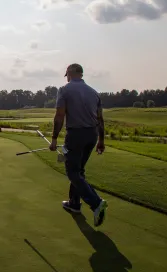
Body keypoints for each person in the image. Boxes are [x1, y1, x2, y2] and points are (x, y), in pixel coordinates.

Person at [50, 63, 108, 227]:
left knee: (72, 172)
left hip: (76, 135)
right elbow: (100, 119)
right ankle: (74, 203)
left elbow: (60, 115)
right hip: (93, 135)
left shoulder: (65, 89)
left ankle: (96, 203)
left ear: (69, 73)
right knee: (79, 170)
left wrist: (54, 139)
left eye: (66, 74)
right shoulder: (94, 92)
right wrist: (102, 141)